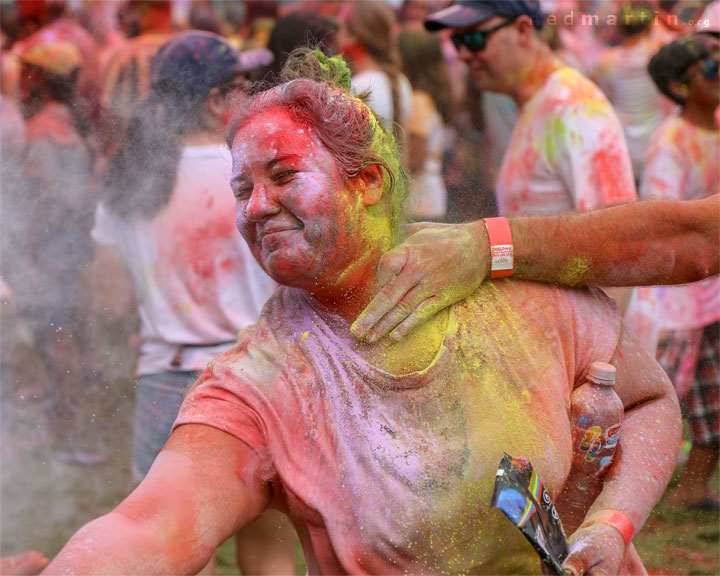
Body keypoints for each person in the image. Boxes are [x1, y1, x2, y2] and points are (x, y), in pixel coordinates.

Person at [43, 49, 681, 576]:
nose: (255, 206)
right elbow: (152, 524)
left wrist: (612, 522)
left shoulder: (514, 291)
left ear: (368, 180)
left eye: (284, 176)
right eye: (241, 189)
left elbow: (650, 401)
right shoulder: (262, 380)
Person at [93, 31, 292, 574]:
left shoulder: (129, 181)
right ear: (213, 101)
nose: (251, 99)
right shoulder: (256, 177)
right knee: (269, 535)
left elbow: (110, 299)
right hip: (257, 375)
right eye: (241, 87)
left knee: (172, 547)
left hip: (167, 377)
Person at [424, 0, 636, 217]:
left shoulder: (574, 108)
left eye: (475, 39)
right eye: (457, 41)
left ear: (522, 30)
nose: (463, 54)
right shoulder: (541, 102)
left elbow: (616, 233)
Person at [642, 33, 720, 510]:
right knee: (661, 398)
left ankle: (693, 489)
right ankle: (630, 495)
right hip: (679, 299)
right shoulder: (670, 144)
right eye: (710, 70)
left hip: (714, 292)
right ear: (679, 86)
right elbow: (662, 220)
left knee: (713, 404)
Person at [592, 2, 674, 182]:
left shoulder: (605, 61)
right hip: (660, 148)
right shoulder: (660, 52)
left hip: (625, 151)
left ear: (620, 26)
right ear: (650, 23)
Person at [398, 21, 451, 221]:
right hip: (429, 197)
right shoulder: (426, 96)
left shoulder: (418, 101)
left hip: (420, 202)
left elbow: (415, 159)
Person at [335, 0, 412, 133]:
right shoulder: (401, 82)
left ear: (354, 36)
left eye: (339, 28)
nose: (336, 35)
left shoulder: (358, 88)